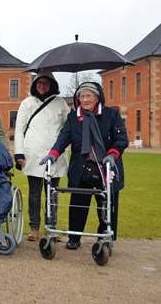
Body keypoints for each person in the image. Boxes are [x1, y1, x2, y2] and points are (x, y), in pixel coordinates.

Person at [40, 82, 128, 250]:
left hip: (105, 167)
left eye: (89, 96)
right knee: (78, 204)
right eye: (82, 96)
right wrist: (53, 153)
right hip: (82, 167)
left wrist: (112, 154)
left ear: (97, 98)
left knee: (107, 204)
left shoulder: (111, 115)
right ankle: (74, 238)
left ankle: (105, 236)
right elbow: (64, 137)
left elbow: (121, 139)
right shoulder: (74, 117)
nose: (85, 99)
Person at [14, 72, 70, 242]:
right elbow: (19, 129)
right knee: (34, 193)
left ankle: (52, 227)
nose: (42, 85)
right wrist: (19, 152)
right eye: (39, 82)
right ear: (34, 84)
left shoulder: (60, 103)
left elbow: (68, 127)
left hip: (55, 153)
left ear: (52, 84)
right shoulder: (27, 103)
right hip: (33, 153)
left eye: (46, 83)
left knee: (53, 193)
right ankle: (34, 228)